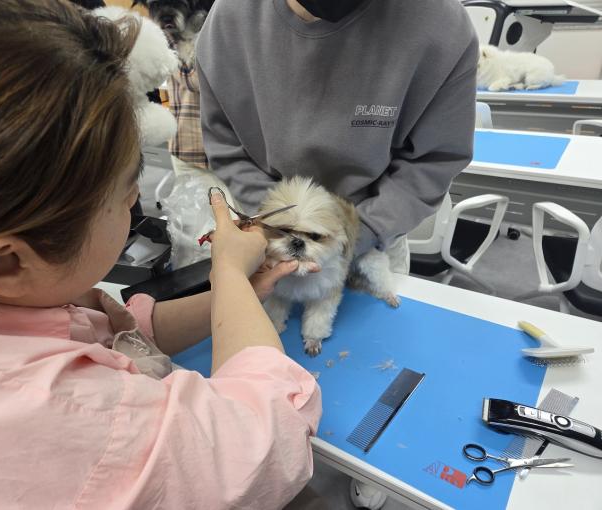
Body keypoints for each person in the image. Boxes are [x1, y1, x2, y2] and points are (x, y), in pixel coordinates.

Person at [0, 1, 321, 508]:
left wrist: (235, 294)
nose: (137, 197)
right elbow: (264, 442)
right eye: (126, 190)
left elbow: (117, 336)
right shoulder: (61, 411)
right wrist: (227, 270)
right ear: (4, 263)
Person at [196, 0, 478, 506]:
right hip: (272, 227)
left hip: (372, 233)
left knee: (377, 392)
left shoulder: (440, 25)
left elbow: (434, 160)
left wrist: (356, 235)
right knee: (274, 368)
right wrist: (277, 224)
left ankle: (373, 473)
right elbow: (226, 145)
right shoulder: (229, 21)